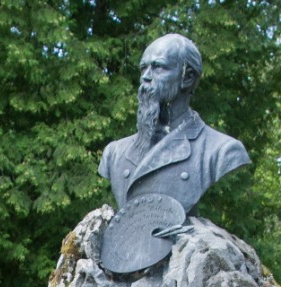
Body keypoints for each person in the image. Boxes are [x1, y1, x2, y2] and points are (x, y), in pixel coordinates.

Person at [98, 33, 250, 213]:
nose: (146, 77)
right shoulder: (115, 153)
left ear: (188, 78)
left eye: (158, 68)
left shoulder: (221, 151)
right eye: (143, 68)